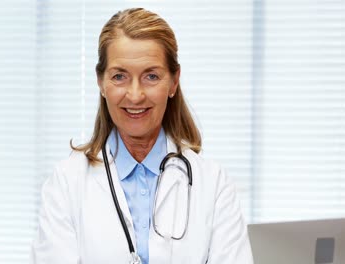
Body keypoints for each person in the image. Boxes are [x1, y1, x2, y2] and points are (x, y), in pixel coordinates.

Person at [31, 8, 253, 264]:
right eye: (119, 76)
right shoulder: (66, 184)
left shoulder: (213, 186)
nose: (135, 95)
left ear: (173, 82)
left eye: (151, 76)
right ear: (101, 82)